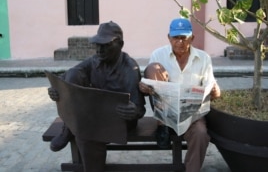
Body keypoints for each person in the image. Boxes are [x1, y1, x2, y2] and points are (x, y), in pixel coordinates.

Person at [48, 21, 146, 172]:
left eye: (106, 45)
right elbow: (66, 77)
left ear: (120, 44)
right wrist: (57, 89)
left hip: (119, 121)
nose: (99, 50)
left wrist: (133, 111)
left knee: (86, 132)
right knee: (74, 74)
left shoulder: (129, 68)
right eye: (97, 44)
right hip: (96, 114)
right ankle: (68, 128)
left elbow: (139, 108)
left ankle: (76, 131)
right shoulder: (94, 60)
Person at [139, 18, 221, 172]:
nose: (180, 42)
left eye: (184, 38)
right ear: (169, 38)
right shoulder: (158, 54)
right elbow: (148, 84)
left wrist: (215, 91)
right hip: (166, 114)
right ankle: (162, 126)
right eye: (176, 38)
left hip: (192, 115)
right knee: (153, 68)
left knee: (201, 134)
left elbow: (213, 87)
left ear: (192, 38)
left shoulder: (204, 59)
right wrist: (144, 86)